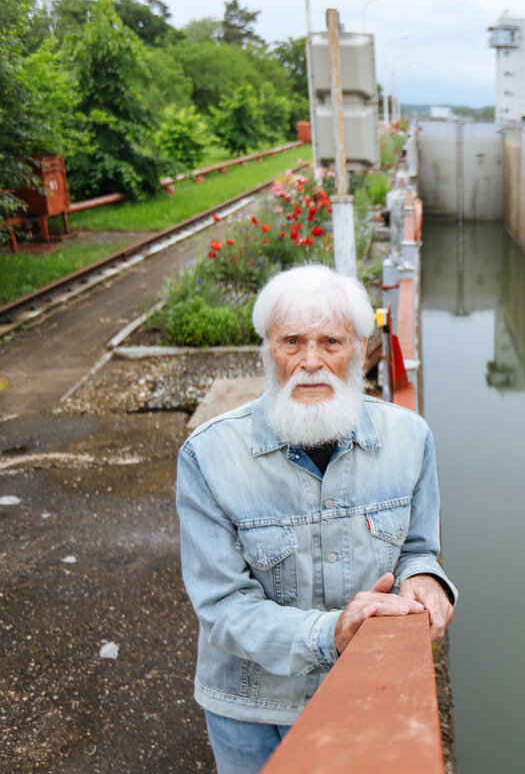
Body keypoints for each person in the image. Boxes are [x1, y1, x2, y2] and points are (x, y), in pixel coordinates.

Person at [175, 264, 456, 774]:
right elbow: (221, 605)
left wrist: (425, 578)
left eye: (331, 342)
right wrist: (331, 633)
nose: (311, 362)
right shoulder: (209, 455)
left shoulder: (411, 439)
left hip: (367, 694)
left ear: (359, 350)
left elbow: (418, 546)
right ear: (267, 350)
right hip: (253, 712)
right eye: (291, 342)